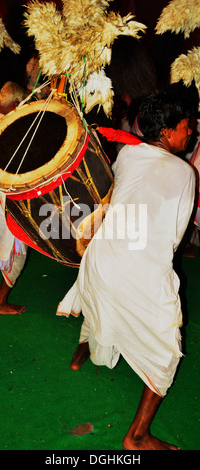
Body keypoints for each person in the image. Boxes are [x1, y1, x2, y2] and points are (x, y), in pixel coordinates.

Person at [56, 91, 196, 450]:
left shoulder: (128, 152)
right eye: (185, 127)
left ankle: (83, 350)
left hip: (100, 259)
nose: (191, 133)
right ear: (166, 132)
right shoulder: (185, 171)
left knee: (99, 297)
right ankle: (137, 437)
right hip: (136, 270)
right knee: (167, 350)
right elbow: (176, 237)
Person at [0, 81, 28, 315]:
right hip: (0, 201)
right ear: (14, 104)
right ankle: (0, 302)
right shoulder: (10, 127)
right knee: (17, 247)